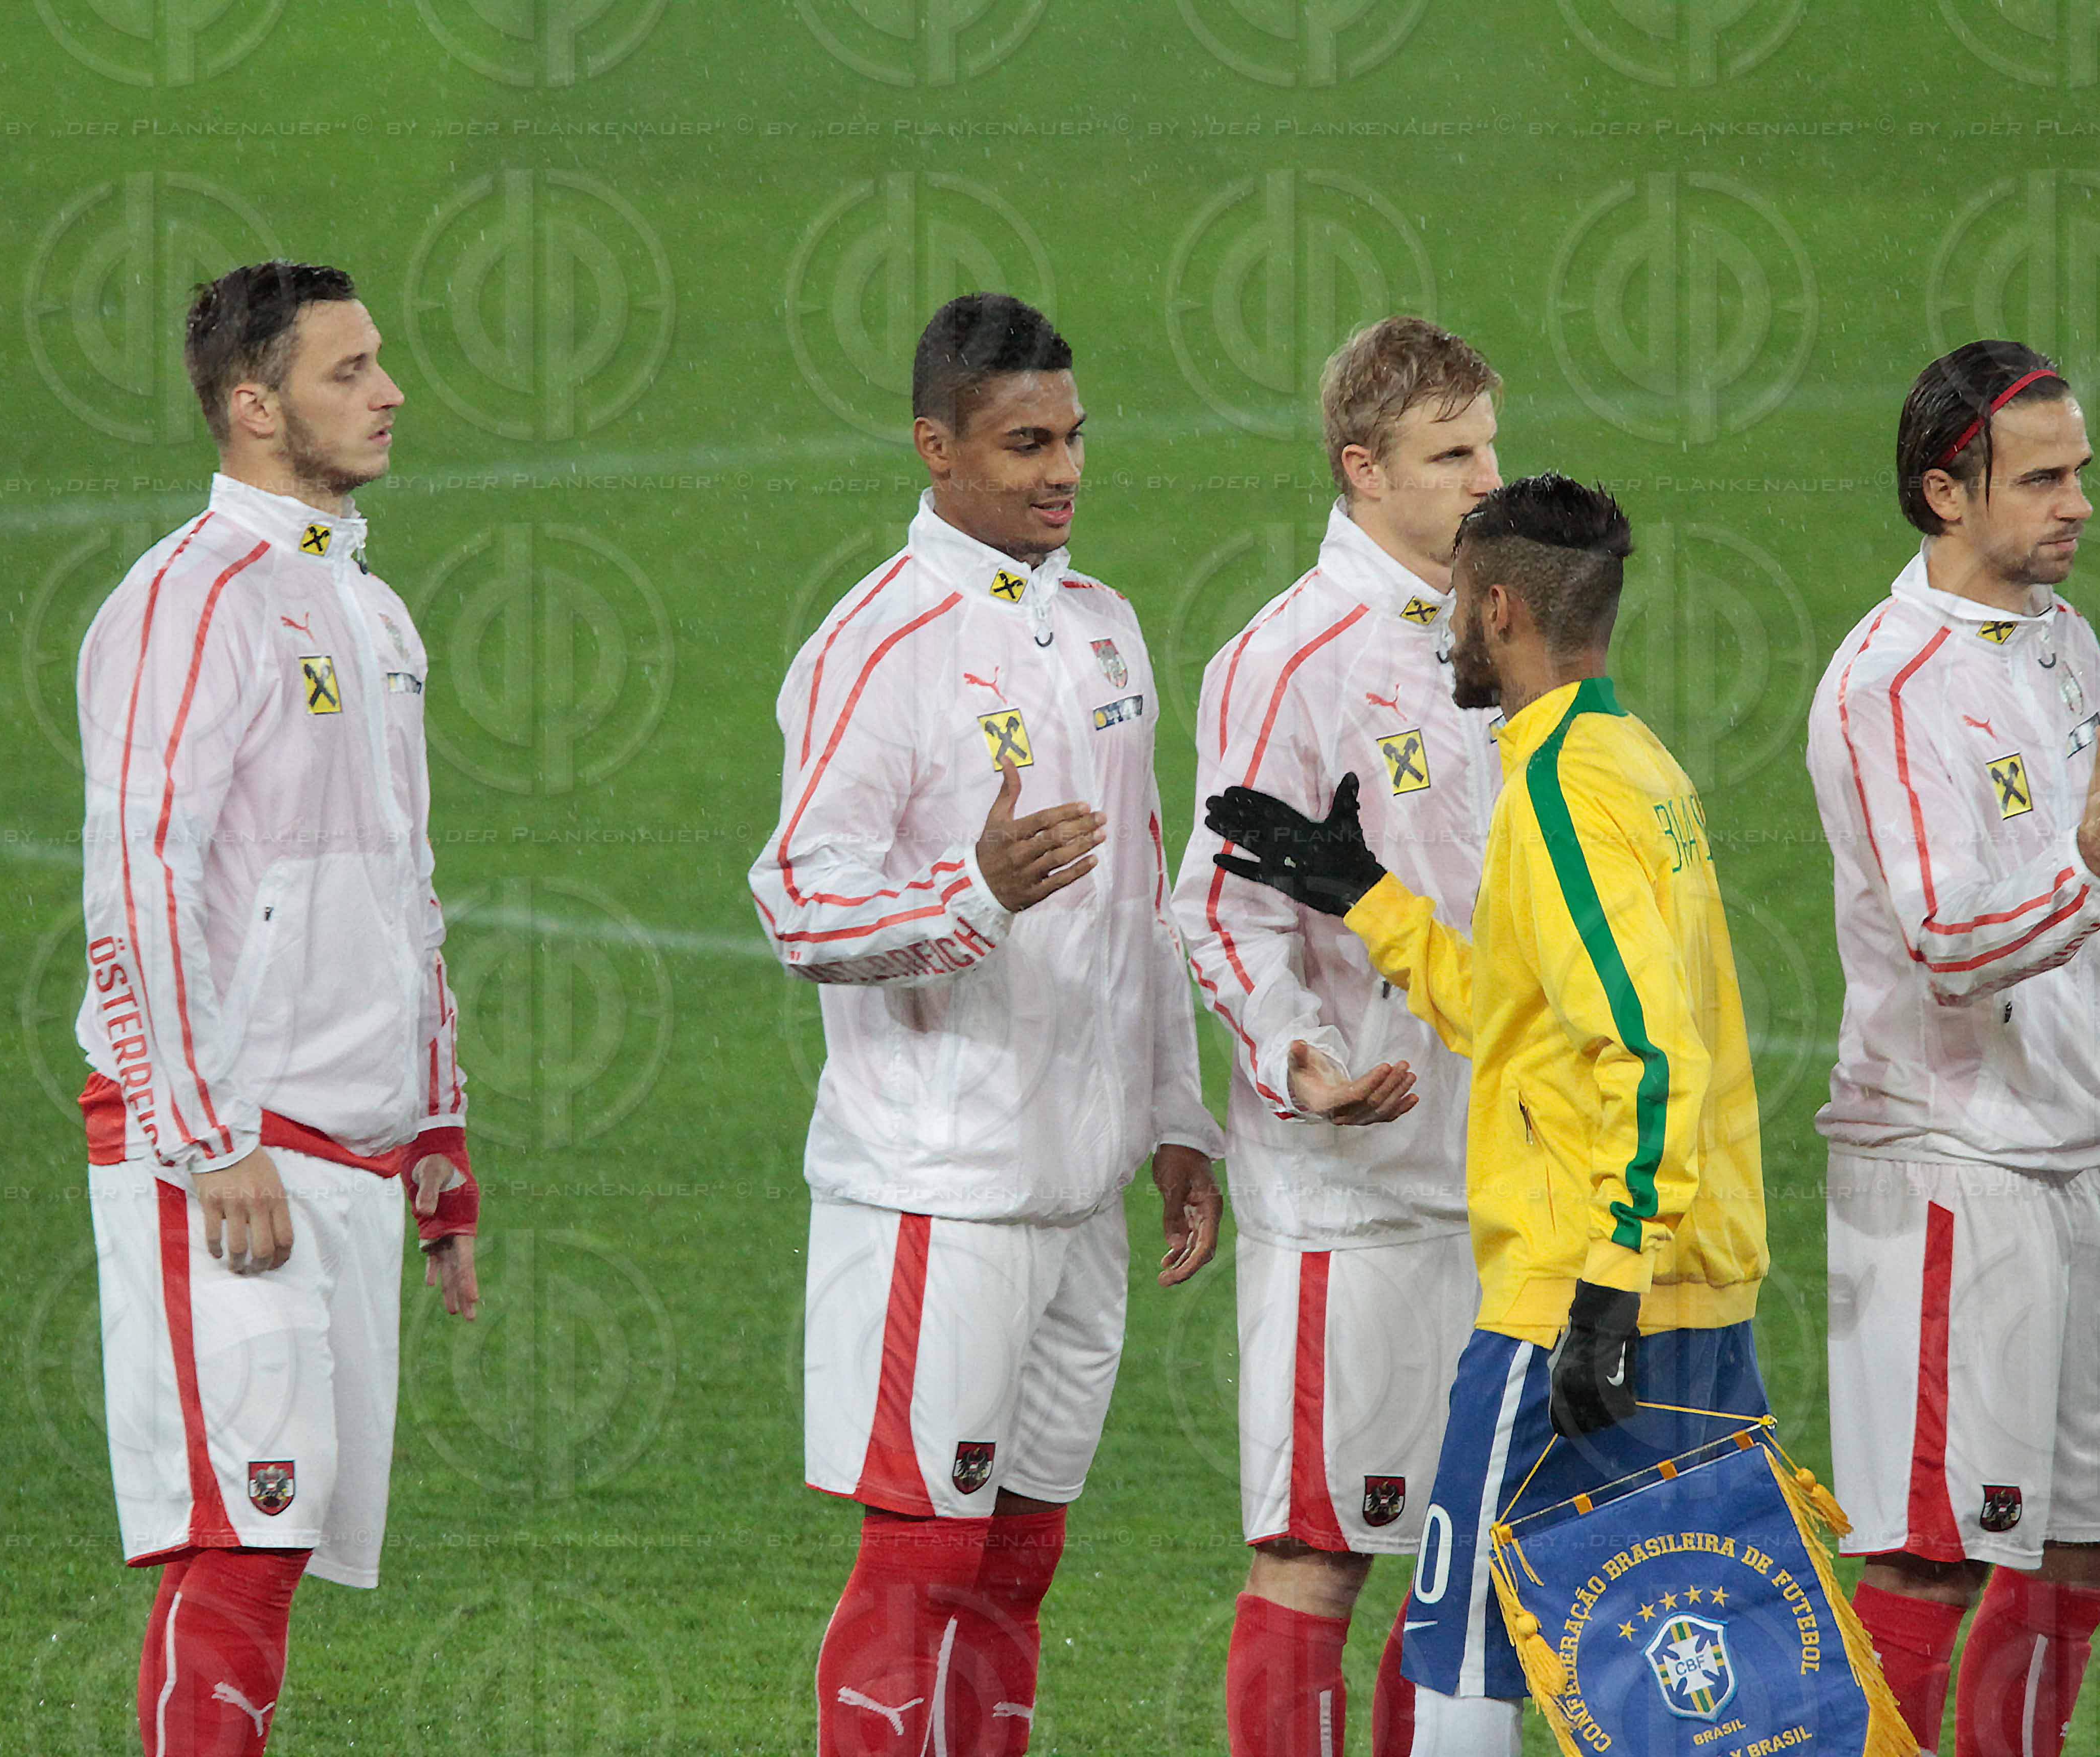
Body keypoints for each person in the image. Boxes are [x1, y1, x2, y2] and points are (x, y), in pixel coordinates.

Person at [1205, 475, 1771, 1755]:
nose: (1447, 629)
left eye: (1459, 604)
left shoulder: (1561, 796)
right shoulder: (1637, 766)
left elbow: (1650, 1053)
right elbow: (1527, 1022)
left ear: (1502, 609)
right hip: (1701, 1288)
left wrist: (1607, 1290)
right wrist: (1367, 897)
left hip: (1578, 1293)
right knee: (1681, 1655)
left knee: (1470, 1635)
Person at [751, 291, 1226, 1757]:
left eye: (1073, 437)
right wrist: (975, 895)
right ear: (937, 448)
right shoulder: (877, 644)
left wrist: (1178, 1117)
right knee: (921, 1565)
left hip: (1081, 1191)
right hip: (937, 1190)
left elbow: (1145, 898)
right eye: (1027, 444)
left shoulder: (1104, 629)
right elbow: (798, 904)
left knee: (1020, 1565)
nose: (1063, 470)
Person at [74, 261, 481, 1757]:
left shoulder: (370, 610)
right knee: (239, 1544)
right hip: (224, 1142)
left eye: (380, 361)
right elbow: (140, 878)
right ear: (254, 406)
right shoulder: (187, 602)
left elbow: (406, 885)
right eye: (347, 371)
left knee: (277, 1539)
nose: (389, 393)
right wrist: (204, 1133)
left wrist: (436, 1127)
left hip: (351, 1144)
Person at [1807, 341, 2100, 1757]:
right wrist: (2085, 862)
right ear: (1944, 492)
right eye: (2041, 480)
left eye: (2079, 472)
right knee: (1935, 1555)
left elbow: (2091, 934)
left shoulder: (2062, 640)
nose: (2078, 503)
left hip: (2064, 1154)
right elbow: (1948, 941)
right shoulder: (1889, 682)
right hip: (1948, 1169)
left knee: (2080, 1540)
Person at [1172, 315, 1503, 1757]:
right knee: (1318, 1554)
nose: (1489, 481)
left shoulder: (1503, 638)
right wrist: (1297, 1058)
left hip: (1504, 1179)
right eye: (1452, 455)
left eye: (1490, 446)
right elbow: (1218, 908)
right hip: (1351, 1193)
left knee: (1467, 1567)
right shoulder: (1287, 657)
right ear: (1363, 469)